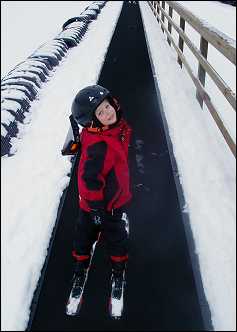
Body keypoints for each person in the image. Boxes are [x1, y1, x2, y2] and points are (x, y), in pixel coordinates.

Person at [70, 84, 132, 307]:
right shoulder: (100, 146)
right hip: (105, 204)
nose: (108, 112)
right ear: (93, 121)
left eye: (108, 106)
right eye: (101, 112)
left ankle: (90, 263)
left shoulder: (111, 129)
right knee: (111, 236)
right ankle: (97, 268)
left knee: (85, 231)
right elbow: (89, 180)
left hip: (106, 199)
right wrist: (97, 209)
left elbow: (120, 132)